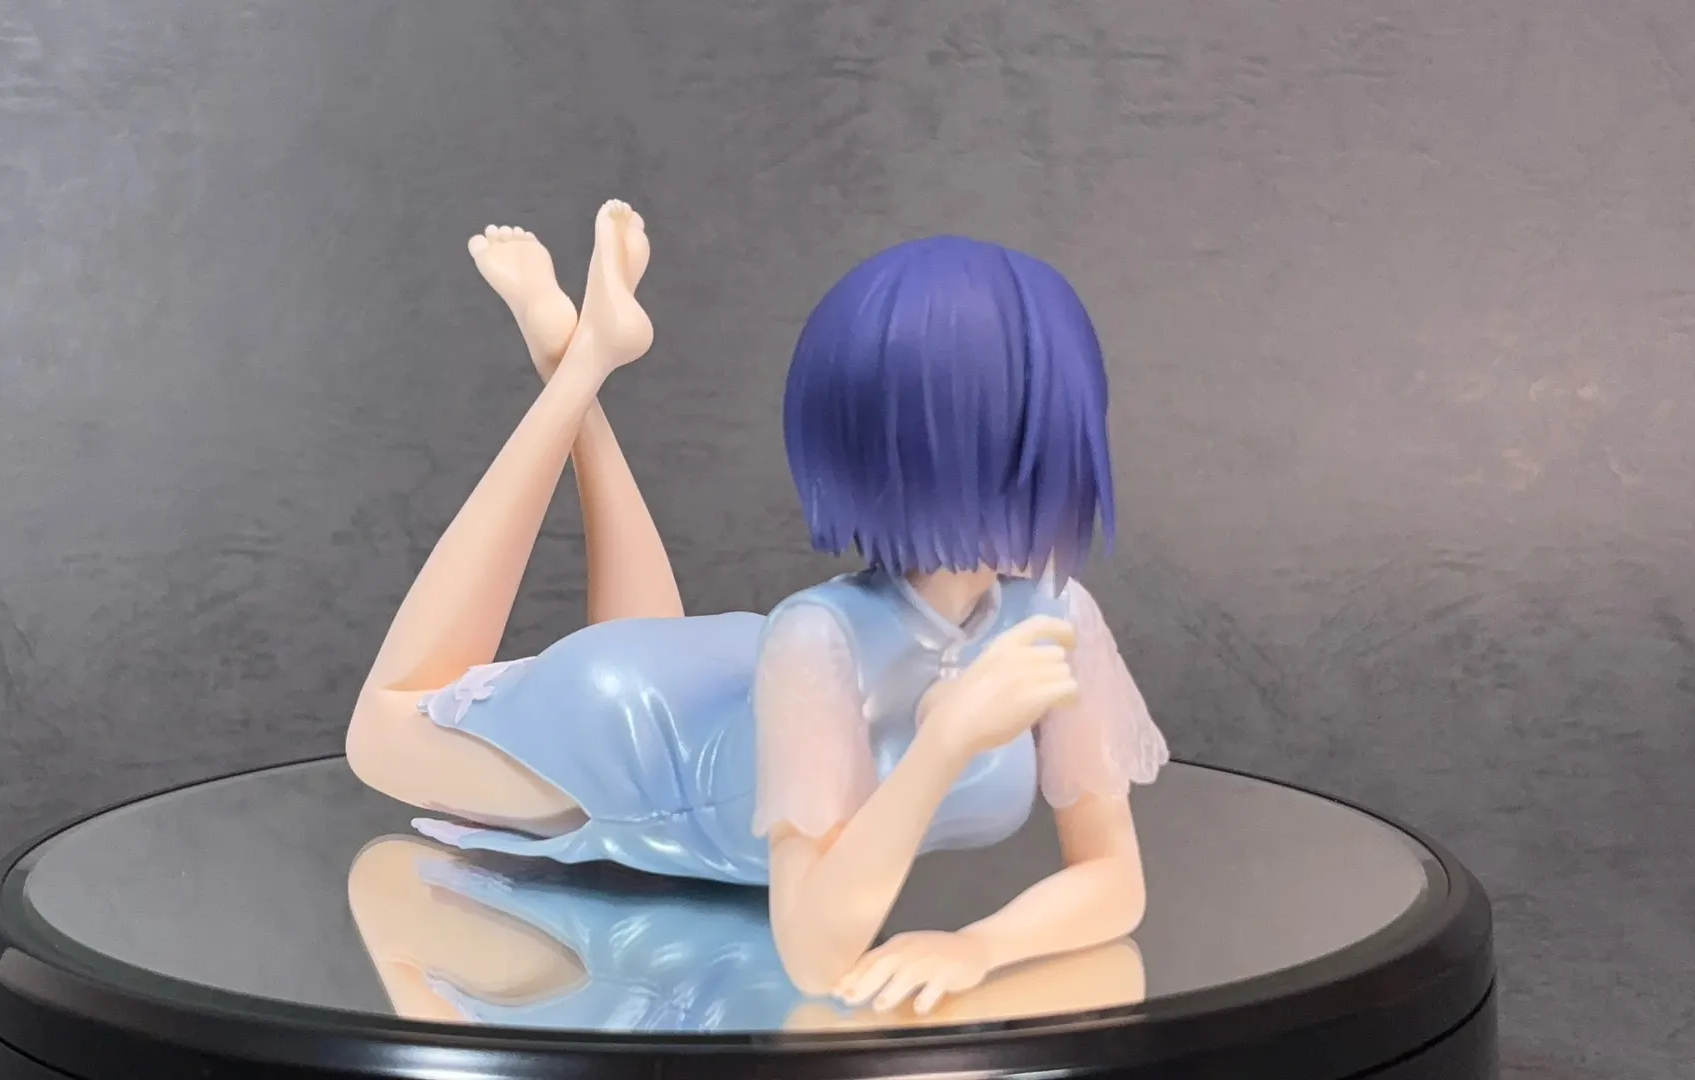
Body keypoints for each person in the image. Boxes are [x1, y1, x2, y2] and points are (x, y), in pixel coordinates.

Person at [345, 202, 1169, 1012]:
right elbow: (814, 956)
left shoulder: (1059, 618)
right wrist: (944, 743)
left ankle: (583, 355)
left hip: (717, 681)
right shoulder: (818, 637)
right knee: (381, 731)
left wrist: (978, 948)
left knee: (644, 643)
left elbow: (1114, 882)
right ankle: (580, 366)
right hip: (630, 731)